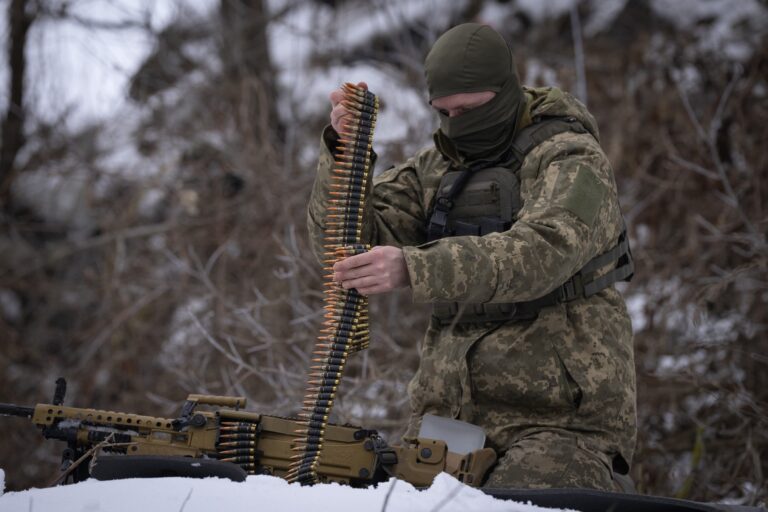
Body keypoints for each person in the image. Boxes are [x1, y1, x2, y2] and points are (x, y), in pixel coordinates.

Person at [307, 23, 636, 491]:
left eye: (469, 109)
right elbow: (343, 244)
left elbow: (544, 251)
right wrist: (345, 157)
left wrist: (414, 266)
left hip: (558, 424)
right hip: (448, 419)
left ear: (505, 92)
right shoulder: (437, 168)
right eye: (444, 112)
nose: (456, 123)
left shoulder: (571, 157)